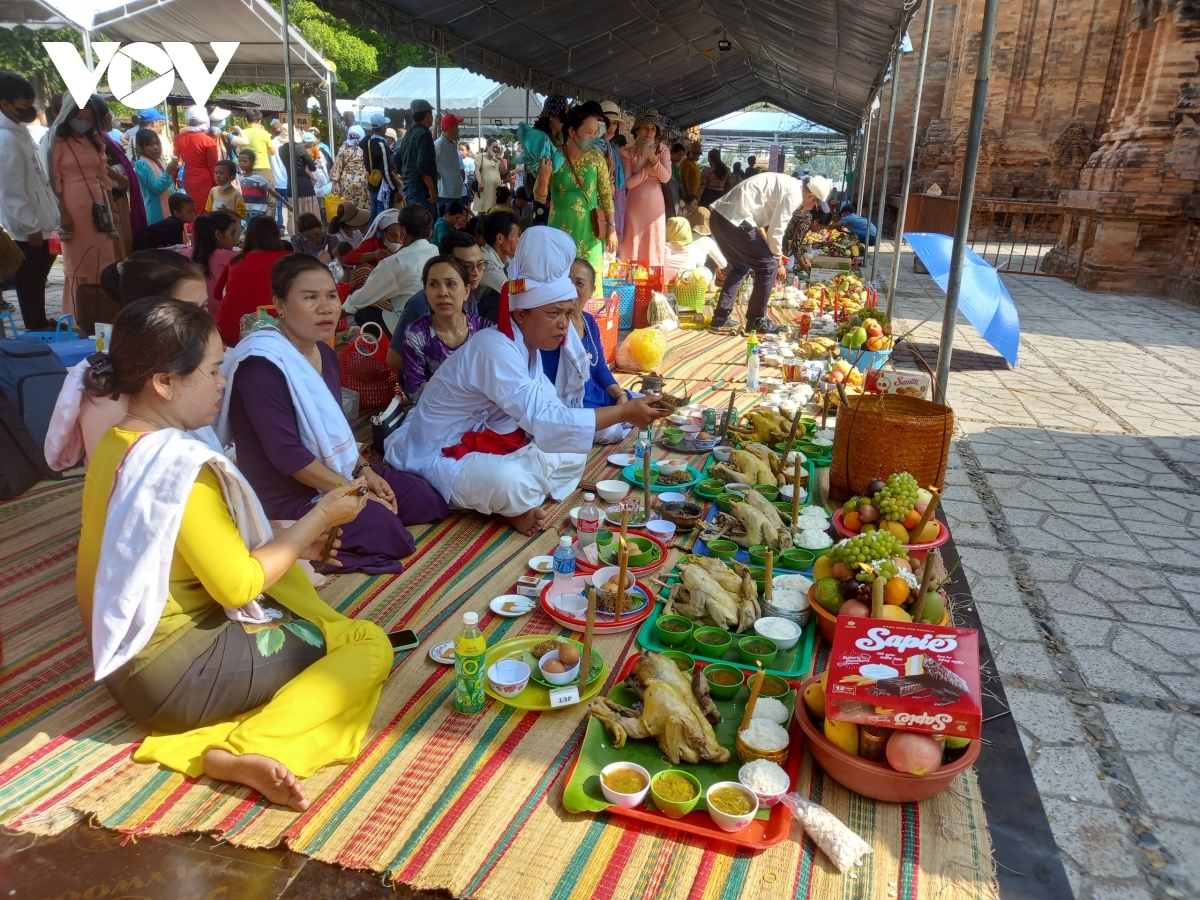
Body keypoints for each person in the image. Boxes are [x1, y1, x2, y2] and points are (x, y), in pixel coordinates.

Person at [76, 297, 390, 810]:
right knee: (368, 646)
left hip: (121, 662)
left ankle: (272, 685)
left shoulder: (115, 443)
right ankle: (240, 748)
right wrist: (320, 518)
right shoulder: (180, 465)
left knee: (282, 564)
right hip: (177, 679)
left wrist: (293, 543)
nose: (223, 382)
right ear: (165, 382)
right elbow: (238, 586)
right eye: (213, 371)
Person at [384, 227, 666, 536]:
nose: (563, 324)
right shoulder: (494, 346)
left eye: (567, 313)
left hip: (489, 436)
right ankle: (509, 505)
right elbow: (546, 420)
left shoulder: (526, 347)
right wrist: (625, 413)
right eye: (554, 314)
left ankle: (511, 501)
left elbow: (551, 412)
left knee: (571, 452)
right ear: (521, 316)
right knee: (512, 481)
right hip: (441, 448)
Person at [220, 254, 448, 574]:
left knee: (427, 499)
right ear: (279, 305)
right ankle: (299, 548)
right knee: (391, 534)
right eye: (310, 297)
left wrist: (365, 472)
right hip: (289, 498)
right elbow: (289, 457)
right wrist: (356, 493)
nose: (325, 307)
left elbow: (335, 428)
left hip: (338, 473)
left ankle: (357, 521)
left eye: (330, 295)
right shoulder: (262, 365)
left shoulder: (325, 353)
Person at [45, 254, 209, 470]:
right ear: (150, 314)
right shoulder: (116, 390)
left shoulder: (159, 366)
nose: (205, 319)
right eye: (190, 310)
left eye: (204, 307)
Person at [708, 172, 832, 335]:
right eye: (815, 206)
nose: (811, 210)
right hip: (735, 219)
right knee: (768, 267)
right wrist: (777, 260)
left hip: (721, 217)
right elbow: (776, 231)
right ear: (810, 196)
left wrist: (776, 253)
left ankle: (720, 318)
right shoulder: (793, 194)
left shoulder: (788, 184)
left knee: (740, 266)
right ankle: (756, 320)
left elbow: (762, 226)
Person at [540, 258, 630, 443]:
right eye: (567, 281)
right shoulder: (552, 324)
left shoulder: (589, 322)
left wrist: (619, 394)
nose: (571, 288)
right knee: (612, 430)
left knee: (638, 401)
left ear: (592, 291)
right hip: (568, 402)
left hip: (595, 395)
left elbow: (599, 368)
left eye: (579, 283)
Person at [0, 69, 59, 332]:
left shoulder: (18, 131)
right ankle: (35, 325)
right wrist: (30, 224)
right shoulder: (6, 139)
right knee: (31, 279)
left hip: (39, 221)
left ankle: (39, 321)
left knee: (38, 277)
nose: (31, 109)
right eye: (25, 104)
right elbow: (10, 190)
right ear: (5, 104)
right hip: (27, 229)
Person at [50, 93, 118, 317]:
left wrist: (111, 207)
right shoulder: (57, 141)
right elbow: (54, 178)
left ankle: (104, 308)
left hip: (97, 202)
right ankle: (78, 312)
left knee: (104, 255)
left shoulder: (95, 140)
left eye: (89, 119)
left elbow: (104, 176)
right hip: (71, 202)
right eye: (80, 117)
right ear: (69, 115)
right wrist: (63, 212)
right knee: (78, 259)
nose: (84, 122)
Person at [392, 255, 492, 398]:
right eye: (433, 285)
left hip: (482, 409)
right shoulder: (417, 333)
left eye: (451, 284)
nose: (442, 293)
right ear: (425, 292)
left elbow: (496, 380)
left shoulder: (485, 330)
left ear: (466, 291)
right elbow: (416, 390)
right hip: (436, 411)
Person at [546, 102, 616, 295]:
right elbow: (539, 195)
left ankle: (587, 323)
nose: (593, 137)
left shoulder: (596, 159)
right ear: (572, 131)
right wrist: (544, 176)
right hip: (559, 231)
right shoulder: (554, 156)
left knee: (587, 284)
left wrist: (612, 228)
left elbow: (605, 195)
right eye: (588, 132)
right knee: (560, 283)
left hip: (590, 233)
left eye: (595, 132)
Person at [341, 204, 437, 336]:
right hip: (435, 323)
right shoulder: (438, 253)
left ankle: (391, 346)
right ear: (430, 232)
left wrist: (333, 318)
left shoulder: (397, 261)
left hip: (409, 329)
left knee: (362, 313)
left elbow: (360, 299)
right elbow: (349, 258)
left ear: (402, 231)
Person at [391, 228, 501, 341]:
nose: (476, 273)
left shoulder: (468, 296)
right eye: (468, 266)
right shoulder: (421, 305)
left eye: (480, 264)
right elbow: (396, 357)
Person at [214, 216, 291, 346]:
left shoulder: (235, 260)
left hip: (228, 332)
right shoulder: (286, 260)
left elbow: (217, 294)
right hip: (270, 333)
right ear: (276, 235)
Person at [620, 109, 671, 269]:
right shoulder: (627, 152)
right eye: (645, 128)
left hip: (655, 209)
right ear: (637, 130)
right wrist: (647, 170)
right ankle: (630, 285)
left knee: (653, 249)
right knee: (632, 249)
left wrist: (652, 158)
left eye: (653, 128)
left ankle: (651, 289)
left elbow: (665, 177)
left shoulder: (662, 150)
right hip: (633, 208)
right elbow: (628, 184)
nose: (649, 132)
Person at [182, 210, 240, 316]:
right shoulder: (232, 257)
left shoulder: (184, 253)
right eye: (232, 233)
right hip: (220, 318)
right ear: (218, 234)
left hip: (189, 316)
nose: (235, 239)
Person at [397, 100, 437, 215]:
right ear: (428, 115)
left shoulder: (409, 132)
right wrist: (432, 189)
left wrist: (406, 173)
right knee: (424, 225)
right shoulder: (424, 134)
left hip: (409, 185)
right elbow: (422, 165)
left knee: (414, 224)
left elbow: (396, 157)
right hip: (421, 188)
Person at [174, 105, 219, 206]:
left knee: (191, 210)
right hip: (205, 180)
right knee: (205, 210)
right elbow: (213, 168)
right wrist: (218, 187)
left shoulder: (180, 138)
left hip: (187, 178)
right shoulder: (208, 141)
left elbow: (175, 162)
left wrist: (172, 180)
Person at [134, 129, 180, 224]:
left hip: (168, 207)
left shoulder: (158, 162)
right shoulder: (141, 164)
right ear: (141, 149)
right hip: (157, 212)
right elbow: (156, 187)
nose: (156, 147)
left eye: (157, 143)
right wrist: (168, 170)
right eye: (150, 144)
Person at [596, 101, 627, 240]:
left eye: (615, 123)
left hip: (610, 200)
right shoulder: (590, 146)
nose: (612, 127)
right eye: (609, 122)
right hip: (595, 201)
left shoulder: (612, 147)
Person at [341, 207, 400, 277]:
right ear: (382, 233)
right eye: (393, 236)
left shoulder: (405, 247)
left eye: (401, 235)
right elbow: (348, 258)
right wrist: (373, 255)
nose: (398, 240)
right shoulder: (372, 244)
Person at [241, 109, 277, 218]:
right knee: (271, 201)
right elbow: (272, 151)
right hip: (263, 168)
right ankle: (266, 225)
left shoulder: (242, 133)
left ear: (247, 120)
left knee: (250, 201)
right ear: (260, 121)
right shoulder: (264, 133)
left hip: (247, 170)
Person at [237, 149, 289, 221]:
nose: (241, 163)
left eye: (245, 161)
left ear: (253, 163)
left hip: (257, 213)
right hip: (245, 212)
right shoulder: (240, 178)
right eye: (239, 161)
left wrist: (287, 204)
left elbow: (272, 193)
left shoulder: (258, 178)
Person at [279, 132, 319, 224]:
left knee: (294, 217)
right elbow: (312, 167)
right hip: (305, 186)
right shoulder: (300, 148)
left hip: (291, 187)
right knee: (309, 216)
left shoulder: (280, 149)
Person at [363, 113, 397, 218]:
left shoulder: (368, 142)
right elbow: (386, 171)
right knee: (383, 219)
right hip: (383, 189)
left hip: (373, 185)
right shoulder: (381, 145)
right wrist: (395, 190)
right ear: (382, 127)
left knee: (374, 219)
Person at [480, 209, 519, 294]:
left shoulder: (506, 259)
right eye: (516, 236)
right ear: (500, 238)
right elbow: (509, 289)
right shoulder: (485, 263)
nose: (518, 241)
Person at [433, 113, 464, 216]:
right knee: (444, 221)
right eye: (457, 127)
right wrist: (434, 172)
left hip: (456, 192)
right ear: (450, 128)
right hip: (445, 193)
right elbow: (426, 161)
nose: (458, 130)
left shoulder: (453, 144)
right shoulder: (438, 144)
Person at [332, 124, 368, 209]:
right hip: (363, 182)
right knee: (364, 208)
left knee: (348, 210)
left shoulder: (343, 148)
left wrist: (334, 186)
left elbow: (337, 168)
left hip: (347, 184)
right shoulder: (365, 147)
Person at [473, 141, 505, 214]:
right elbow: (477, 170)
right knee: (482, 211)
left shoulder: (497, 158)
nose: (496, 149)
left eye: (497, 147)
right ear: (488, 146)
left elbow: (503, 172)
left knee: (494, 210)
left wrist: (501, 160)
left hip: (495, 188)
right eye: (494, 147)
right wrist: (480, 182)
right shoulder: (481, 156)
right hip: (484, 188)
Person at [270, 120, 291, 230]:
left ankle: (280, 228)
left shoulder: (270, 143)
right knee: (291, 206)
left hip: (276, 181)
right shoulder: (288, 143)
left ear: (272, 131)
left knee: (277, 206)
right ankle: (292, 226)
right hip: (288, 181)